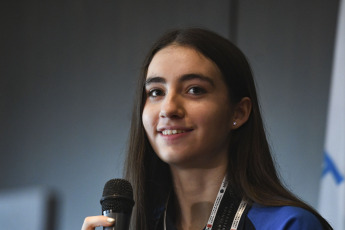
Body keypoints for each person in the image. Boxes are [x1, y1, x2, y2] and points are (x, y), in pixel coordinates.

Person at [82, 28, 332, 230]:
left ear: (239, 112)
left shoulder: (288, 225)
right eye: (156, 92)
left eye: (194, 90)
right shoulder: (143, 224)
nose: (168, 109)